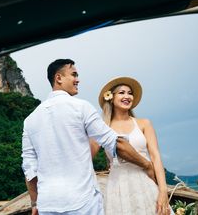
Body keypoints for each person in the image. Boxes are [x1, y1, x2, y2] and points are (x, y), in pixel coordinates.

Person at [21, 59, 154, 215]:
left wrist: (35, 202)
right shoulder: (81, 107)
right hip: (82, 202)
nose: (78, 79)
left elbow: (29, 168)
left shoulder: (30, 120)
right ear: (58, 78)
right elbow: (117, 144)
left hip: (48, 205)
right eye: (74, 74)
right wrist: (147, 165)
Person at [98, 76, 174, 215]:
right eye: (122, 92)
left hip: (146, 183)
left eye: (130, 93)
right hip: (117, 188)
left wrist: (163, 191)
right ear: (111, 97)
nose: (127, 96)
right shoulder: (103, 127)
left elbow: (156, 157)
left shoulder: (144, 123)